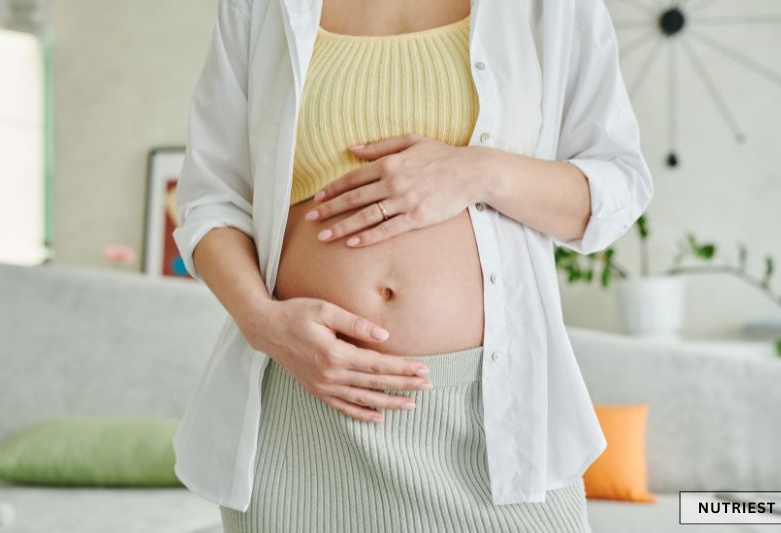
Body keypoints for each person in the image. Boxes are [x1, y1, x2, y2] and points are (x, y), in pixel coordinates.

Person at [171, 0, 654, 531]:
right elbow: (211, 200)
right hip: (304, 405)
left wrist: (478, 172)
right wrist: (261, 321)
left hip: (490, 419)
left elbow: (618, 186)